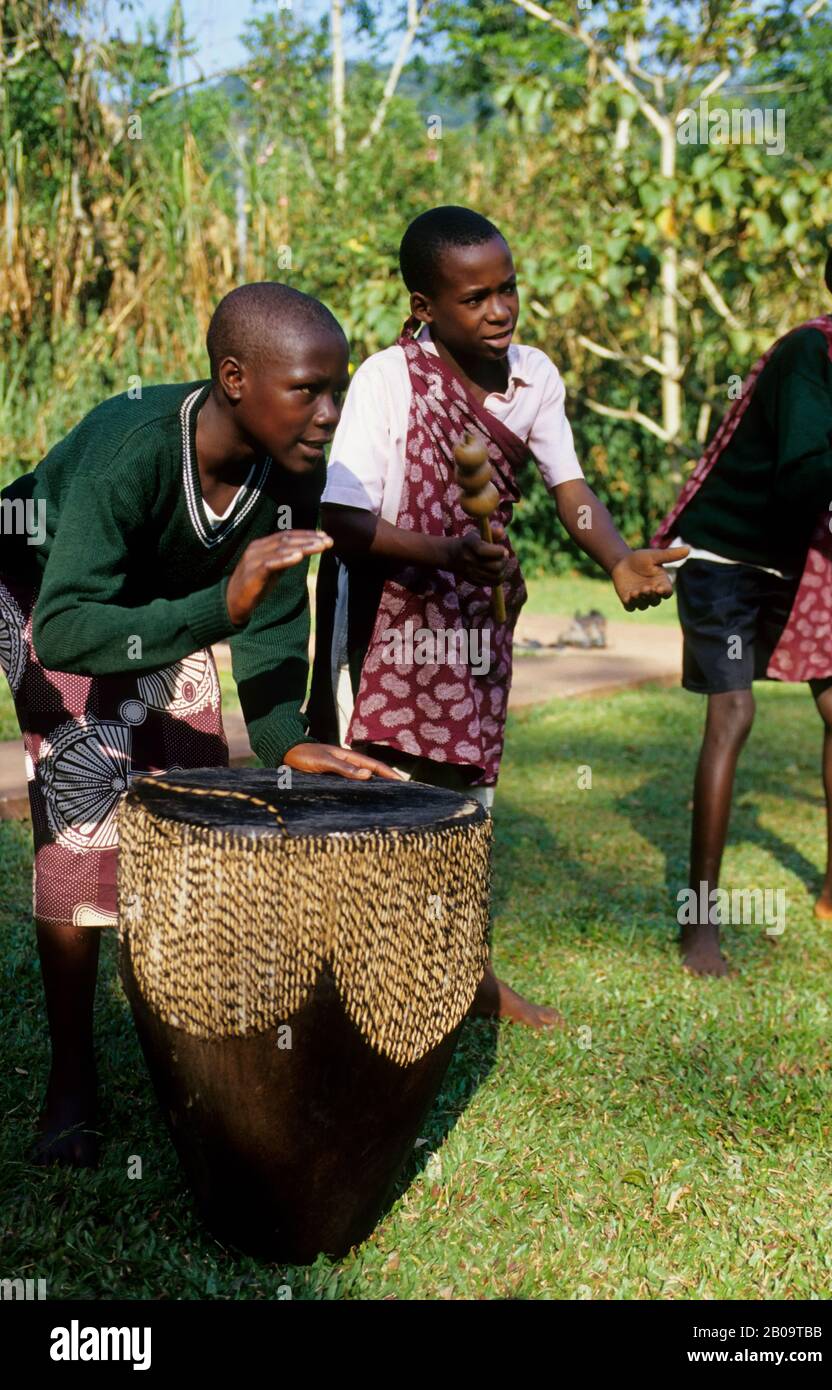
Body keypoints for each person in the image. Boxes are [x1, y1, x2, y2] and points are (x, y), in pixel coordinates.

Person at [0, 282, 397, 1166]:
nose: (330, 413)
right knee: (86, 806)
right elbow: (66, 626)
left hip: (157, 599)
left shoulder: (292, 468)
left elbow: (272, 613)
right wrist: (219, 602)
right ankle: (73, 1077)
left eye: (337, 389)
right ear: (232, 378)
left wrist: (287, 732)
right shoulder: (130, 449)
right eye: (308, 389)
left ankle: (190, 1049)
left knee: (190, 793)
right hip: (46, 586)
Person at [310, 205, 685, 1028]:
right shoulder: (386, 380)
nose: (501, 310)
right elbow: (342, 521)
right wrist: (446, 554)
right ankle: (362, 988)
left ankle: (471, 979)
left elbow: (569, 490)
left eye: (508, 289)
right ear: (424, 307)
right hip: (386, 619)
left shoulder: (534, 378)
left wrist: (618, 557)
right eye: (476, 297)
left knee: (471, 796)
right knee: (377, 796)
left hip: (478, 619)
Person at [652, 228, 832, 976]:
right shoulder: (813, 355)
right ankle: (699, 925)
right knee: (734, 712)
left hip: (795, 561)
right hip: (726, 553)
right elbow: (803, 477)